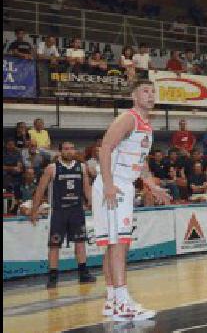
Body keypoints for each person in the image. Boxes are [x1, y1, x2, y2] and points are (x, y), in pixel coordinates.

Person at [92, 79, 171, 321]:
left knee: (114, 244)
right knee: (118, 245)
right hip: (114, 185)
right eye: (145, 91)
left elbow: (141, 162)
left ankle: (112, 301)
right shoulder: (128, 118)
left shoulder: (146, 126)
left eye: (152, 91)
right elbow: (104, 148)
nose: (150, 95)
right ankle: (123, 303)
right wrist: (108, 184)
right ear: (135, 97)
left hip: (122, 184)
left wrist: (151, 185)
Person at [29, 141, 96, 288]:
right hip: (58, 211)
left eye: (72, 149)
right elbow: (40, 190)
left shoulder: (82, 167)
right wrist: (34, 210)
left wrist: (93, 204)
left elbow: (87, 189)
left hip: (77, 211)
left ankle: (83, 273)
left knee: (80, 242)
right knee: (54, 245)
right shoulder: (52, 168)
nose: (70, 151)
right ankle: (53, 277)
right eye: (66, 149)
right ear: (60, 152)